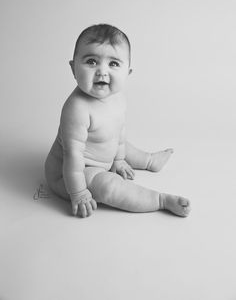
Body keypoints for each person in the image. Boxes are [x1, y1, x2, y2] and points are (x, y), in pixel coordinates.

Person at [45, 24, 191, 218]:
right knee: (108, 186)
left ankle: (149, 160)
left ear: (127, 73)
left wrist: (119, 159)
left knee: (121, 144)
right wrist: (78, 193)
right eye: (91, 61)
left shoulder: (118, 97)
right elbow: (73, 155)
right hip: (71, 174)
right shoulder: (77, 109)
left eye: (113, 64)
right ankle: (160, 200)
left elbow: (119, 133)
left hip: (102, 153)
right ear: (73, 68)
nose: (102, 71)